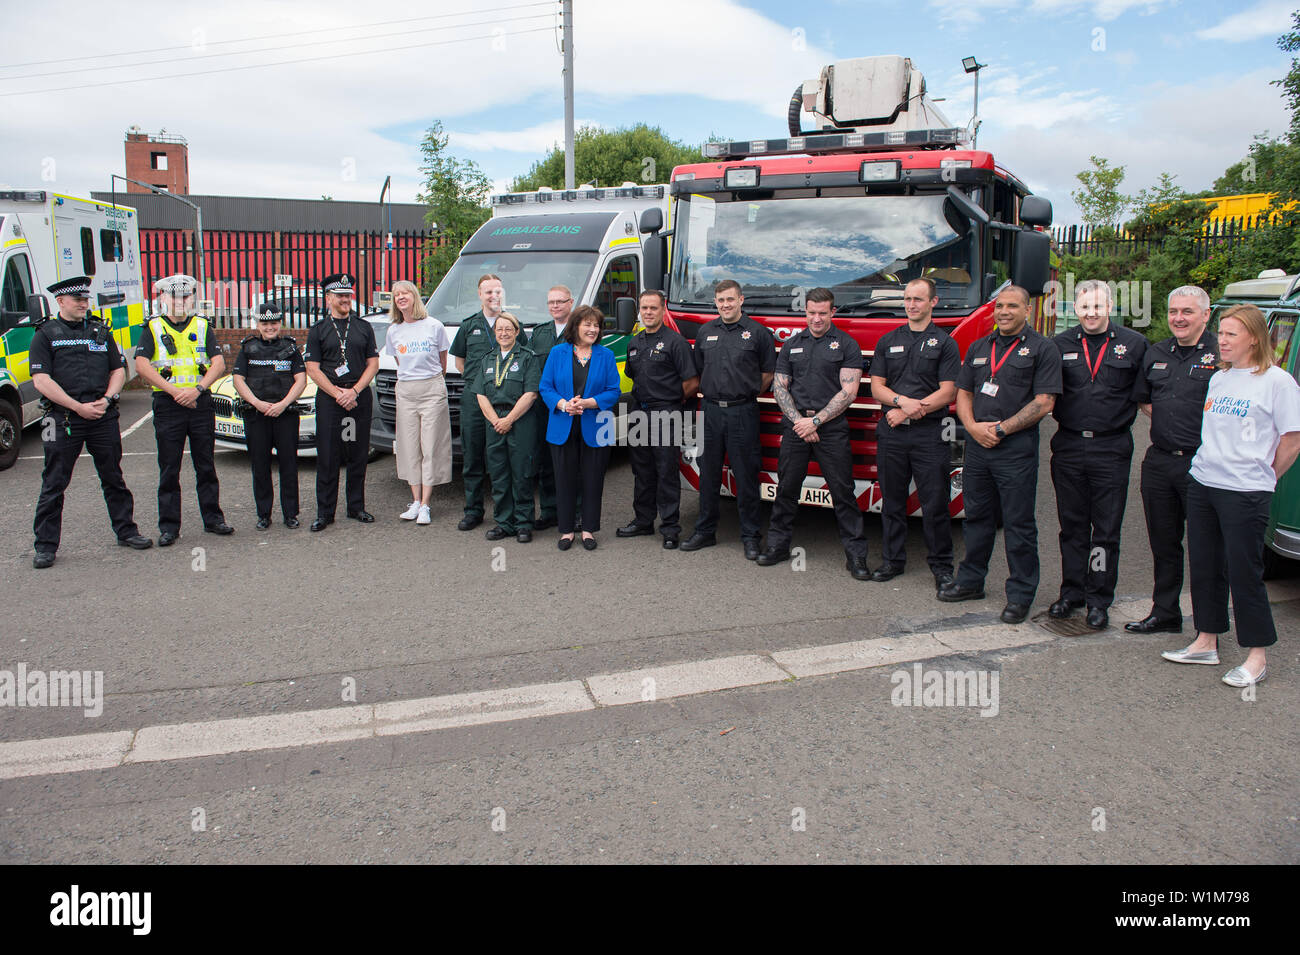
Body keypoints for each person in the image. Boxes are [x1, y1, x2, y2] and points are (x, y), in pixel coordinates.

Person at [1162, 304, 1300, 686]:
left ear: (1254, 338)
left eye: (1230, 334)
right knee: (1205, 567)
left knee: (1245, 573)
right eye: (1220, 333)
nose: (1220, 340)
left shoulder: (1277, 382)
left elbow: (1292, 439)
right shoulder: (1221, 378)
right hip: (1205, 484)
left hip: (1246, 492)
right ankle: (1206, 641)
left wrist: (1264, 477)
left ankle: (1257, 656)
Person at [939, 285, 1062, 623]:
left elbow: (1044, 402)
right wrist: (974, 427)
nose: (1004, 312)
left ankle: (1020, 594)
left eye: (1012, 306)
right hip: (978, 446)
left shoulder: (1042, 349)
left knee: (1019, 524)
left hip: (1015, 449)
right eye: (999, 307)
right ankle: (970, 581)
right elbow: (963, 392)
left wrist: (1002, 429)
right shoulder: (980, 347)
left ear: (1027, 310)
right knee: (976, 518)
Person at [29, 276, 152, 568]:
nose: (85, 304)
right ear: (61, 302)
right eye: (78, 300)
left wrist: (108, 399)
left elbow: (118, 370)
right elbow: (41, 380)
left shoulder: (100, 330)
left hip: (102, 415)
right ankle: (45, 546)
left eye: (86, 299)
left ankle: (126, 531)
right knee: (54, 482)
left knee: (113, 477)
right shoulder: (45, 334)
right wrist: (76, 406)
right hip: (62, 418)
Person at [1047, 280, 1148, 630]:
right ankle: (1071, 592)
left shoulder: (1134, 345)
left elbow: (1148, 396)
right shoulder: (1058, 345)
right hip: (1070, 445)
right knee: (1071, 527)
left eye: (1098, 307)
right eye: (1085, 307)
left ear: (1110, 308)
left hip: (1112, 447)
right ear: (1076, 310)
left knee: (1105, 531)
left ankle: (1098, 599)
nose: (1091, 314)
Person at [1125, 286, 1219, 635]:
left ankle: (1208, 628)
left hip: (1205, 464)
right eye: (1173, 311)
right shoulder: (1157, 352)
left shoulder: (1221, 353)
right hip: (1161, 462)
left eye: (1188, 312)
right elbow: (1145, 401)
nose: (1179, 318)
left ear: (1206, 315)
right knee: (1164, 543)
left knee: (1207, 548)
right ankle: (1165, 613)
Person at [761, 287, 871, 579]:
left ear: (833, 312)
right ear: (805, 311)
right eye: (812, 312)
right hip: (796, 426)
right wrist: (800, 421)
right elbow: (780, 386)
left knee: (843, 493)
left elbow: (849, 392)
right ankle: (777, 546)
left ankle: (856, 557)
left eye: (823, 313)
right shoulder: (792, 344)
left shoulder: (847, 344)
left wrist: (816, 422)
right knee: (785, 489)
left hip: (831, 429)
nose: (817, 318)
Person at [869, 277, 961, 589]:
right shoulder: (887, 340)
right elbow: (877, 386)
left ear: (933, 302)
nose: (911, 305)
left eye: (919, 299)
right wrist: (900, 402)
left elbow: (948, 392)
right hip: (893, 433)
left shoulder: (946, 343)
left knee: (935, 503)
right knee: (892, 502)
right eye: (908, 299)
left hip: (929, 434)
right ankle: (892, 561)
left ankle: (942, 567)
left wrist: (909, 408)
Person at [681, 279, 776, 560]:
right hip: (710, 410)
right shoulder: (705, 332)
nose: (725, 305)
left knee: (746, 476)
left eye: (730, 300)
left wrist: (742, 396)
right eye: (720, 300)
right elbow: (698, 370)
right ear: (716, 302)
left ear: (741, 300)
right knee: (708, 473)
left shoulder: (758, 333)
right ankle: (705, 531)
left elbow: (767, 375)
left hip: (742, 411)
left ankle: (750, 536)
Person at [134, 273, 232, 545]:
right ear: (163, 298)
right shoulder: (152, 328)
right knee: (169, 468)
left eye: (185, 297)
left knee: (206, 465)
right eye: (174, 296)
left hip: (199, 402)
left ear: (191, 298)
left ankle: (213, 519)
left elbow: (219, 364)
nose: (180, 301)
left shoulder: (202, 325)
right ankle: (169, 527)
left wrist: (197, 390)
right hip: (169, 404)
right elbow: (141, 365)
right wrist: (177, 393)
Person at [616, 289, 697, 549]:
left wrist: (670, 402)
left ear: (663, 310)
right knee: (642, 471)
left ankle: (670, 528)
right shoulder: (634, 343)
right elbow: (635, 376)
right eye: (644, 308)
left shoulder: (676, 343)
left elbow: (692, 382)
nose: (648, 312)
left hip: (666, 414)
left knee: (666, 472)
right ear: (639, 311)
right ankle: (643, 521)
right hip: (639, 413)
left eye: (653, 308)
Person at [539, 305, 622, 550]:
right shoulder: (557, 353)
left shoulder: (606, 355)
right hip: (562, 424)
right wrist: (565, 405)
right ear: (575, 326)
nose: (593, 329)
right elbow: (545, 388)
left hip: (597, 425)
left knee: (593, 479)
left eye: (596, 325)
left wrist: (589, 402)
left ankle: (588, 530)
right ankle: (566, 531)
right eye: (587, 324)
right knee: (564, 479)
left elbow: (614, 390)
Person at [303, 272, 379, 532]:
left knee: (357, 454)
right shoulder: (318, 329)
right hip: (331, 400)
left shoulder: (363, 326)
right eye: (340, 295)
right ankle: (325, 512)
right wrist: (338, 394)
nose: (346, 299)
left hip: (358, 398)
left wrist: (355, 391)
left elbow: (373, 363)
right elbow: (312, 368)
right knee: (328, 456)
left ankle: (356, 506)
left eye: (348, 295)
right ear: (328, 299)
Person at [232, 302, 307, 529]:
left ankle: (290, 514)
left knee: (289, 465)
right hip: (257, 415)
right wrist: (257, 403)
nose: (270, 327)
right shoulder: (248, 348)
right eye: (265, 323)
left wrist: (283, 404)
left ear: (280, 323)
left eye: (274, 323)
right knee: (260, 465)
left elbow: (301, 380)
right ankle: (264, 514)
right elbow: (238, 380)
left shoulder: (291, 348)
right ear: (258, 324)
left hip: (285, 414)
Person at [383, 279, 452, 525]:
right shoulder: (394, 331)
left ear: (414, 296)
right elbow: (402, 364)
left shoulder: (434, 326)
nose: (401, 297)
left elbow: (442, 363)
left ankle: (426, 504)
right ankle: (414, 501)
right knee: (409, 446)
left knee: (430, 445)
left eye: (405, 293)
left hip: (432, 388)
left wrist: (429, 382)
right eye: (396, 294)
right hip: (406, 391)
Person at [449, 274, 509, 531]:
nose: (493, 296)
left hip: (503, 401)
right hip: (474, 401)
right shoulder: (468, 325)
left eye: (497, 291)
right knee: (473, 456)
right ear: (480, 295)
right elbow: (459, 361)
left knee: (500, 459)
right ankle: (473, 510)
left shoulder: (510, 324)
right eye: (488, 292)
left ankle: (504, 513)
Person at [475, 312, 541, 542]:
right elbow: (481, 395)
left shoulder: (527, 358)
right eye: (499, 329)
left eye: (508, 329)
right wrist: (496, 420)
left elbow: (531, 394)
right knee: (499, 474)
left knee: (521, 474)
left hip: (519, 421)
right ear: (495, 333)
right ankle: (504, 523)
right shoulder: (486, 359)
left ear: (516, 332)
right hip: (494, 422)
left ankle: (523, 524)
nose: (504, 333)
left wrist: (509, 420)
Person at [527, 285, 573, 529]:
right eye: (551, 302)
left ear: (570, 303)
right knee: (545, 461)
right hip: (544, 408)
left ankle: (574, 514)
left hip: (571, 407)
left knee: (570, 462)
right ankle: (549, 511)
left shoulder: (579, 329)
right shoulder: (540, 333)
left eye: (560, 301)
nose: (555, 306)